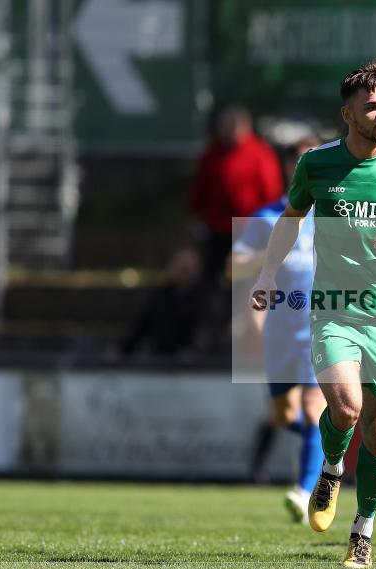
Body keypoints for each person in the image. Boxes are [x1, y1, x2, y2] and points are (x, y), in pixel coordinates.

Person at [249, 60, 376, 568]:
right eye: (371, 108)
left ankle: (363, 529)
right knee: (345, 407)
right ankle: (332, 466)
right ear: (347, 115)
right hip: (334, 310)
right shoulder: (316, 164)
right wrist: (268, 275)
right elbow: (290, 221)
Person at [231, 136, 326, 523]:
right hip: (280, 330)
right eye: (297, 161)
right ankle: (320, 452)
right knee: (285, 413)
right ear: (290, 169)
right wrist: (265, 257)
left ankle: (306, 493)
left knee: (313, 407)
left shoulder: (333, 216)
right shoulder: (269, 217)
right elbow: (233, 266)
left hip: (322, 327)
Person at [189, 107, 283, 287]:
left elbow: (271, 192)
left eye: (234, 126)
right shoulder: (211, 154)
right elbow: (200, 187)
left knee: (246, 280)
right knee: (213, 279)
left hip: (248, 231)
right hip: (217, 229)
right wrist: (196, 215)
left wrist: (266, 223)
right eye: (226, 126)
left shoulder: (260, 154)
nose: (230, 131)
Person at [110, 247, 206, 363]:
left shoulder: (207, 298)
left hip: (195, 367)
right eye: (181, 269)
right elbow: (141, 327)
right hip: (162, 361)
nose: (184, 274)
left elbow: (206, 332)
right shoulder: (161, 296)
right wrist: (121, 349)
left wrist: (194, 351)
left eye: (187, 270)